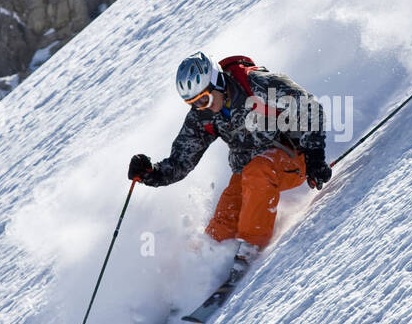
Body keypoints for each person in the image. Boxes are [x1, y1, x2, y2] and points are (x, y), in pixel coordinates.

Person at [128, 52, 332, 266]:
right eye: (193, 103)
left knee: (259, 171)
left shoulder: (256, 85)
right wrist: (152, 173)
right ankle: (205, 265)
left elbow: (309, 106)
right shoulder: (202, 116)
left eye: (204, 99)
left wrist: (315, 158)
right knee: (223, 222)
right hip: (249, 175)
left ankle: (250, 247)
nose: (201, 107)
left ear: (216, 82)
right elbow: (181, 160)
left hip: (293, 158)